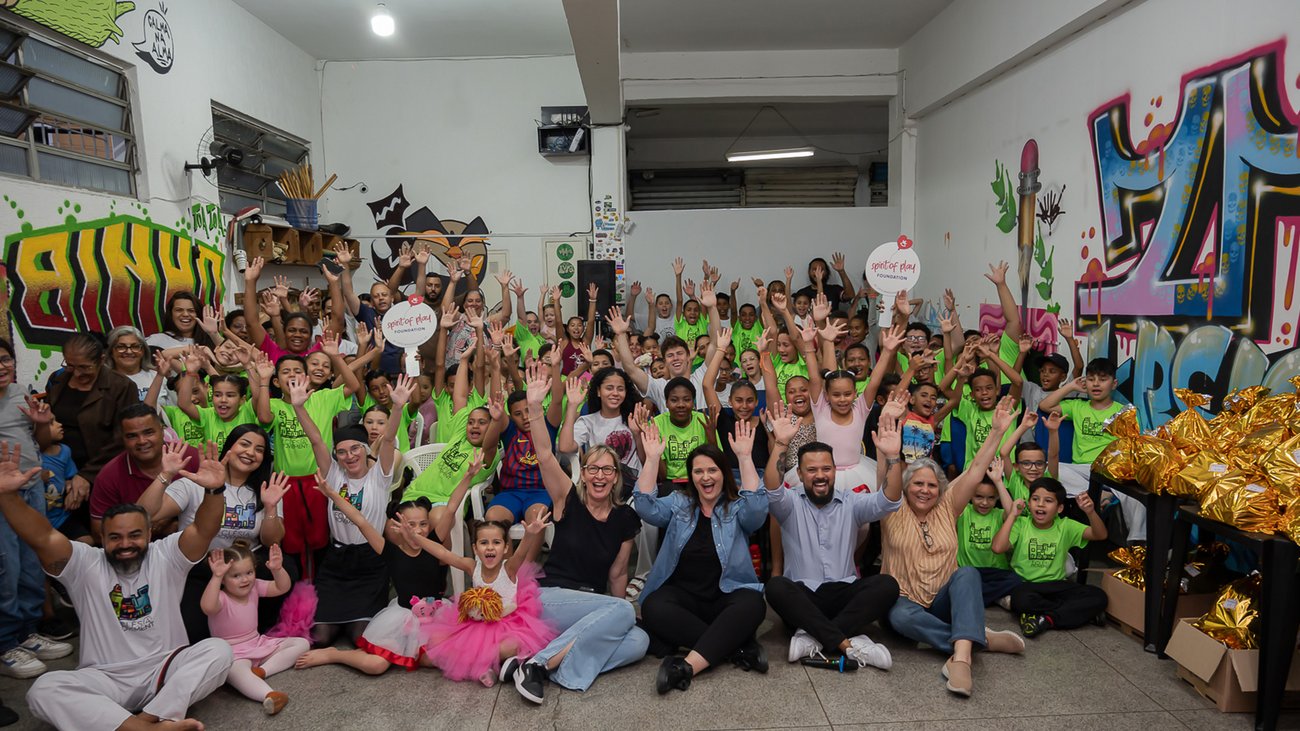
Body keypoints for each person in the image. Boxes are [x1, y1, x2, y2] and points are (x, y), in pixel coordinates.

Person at [1, 440, 235, 730]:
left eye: (134, 535)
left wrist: (214, 491)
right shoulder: (84, 563)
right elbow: (42, 537)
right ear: (102, 538)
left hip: (164, 671)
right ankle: (149, 727)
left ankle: (144, 720)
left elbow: (203, 529)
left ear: (149, 533)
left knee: (218, 651)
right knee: (43, 689)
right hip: (105, 679)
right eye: (115, 537)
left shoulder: (166, 555)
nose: (125, 544)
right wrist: (8, 497)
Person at [498, 367, 646, 703]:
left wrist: (614, 616)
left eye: (607, 469)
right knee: (624, 613)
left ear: (616, 477)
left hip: (591, 605)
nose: (599, 475)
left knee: (638, 642)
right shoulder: (567, 499)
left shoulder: (625, 518)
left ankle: (538, 661)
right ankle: (537, 665)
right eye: (592, 468)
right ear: (584, 474)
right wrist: (535, 407)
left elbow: (618, 574)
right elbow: (545, 454)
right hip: (553, 598)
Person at [879, 395, 1025, 697]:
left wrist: (997, 432)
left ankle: (960, 661)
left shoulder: (948, 506)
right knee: (899, 616)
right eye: (918, 484)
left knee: (968, 573)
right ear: (906, 487)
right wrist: (889, 422)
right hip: (906, 602)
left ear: (941, 489)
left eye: (932, 485)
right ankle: (975, 639)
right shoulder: (893, 507)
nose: (925, 490)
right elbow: (885, 473)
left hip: (943, 602)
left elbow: (976, 469)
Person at [762, 399, 902, 669]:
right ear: (800, 474)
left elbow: (889, 500)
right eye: (812, 470)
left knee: (887, 585)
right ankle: (849, 644)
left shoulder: (851, 502)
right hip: (803, 597)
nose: (820, 475)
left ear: (835, 471)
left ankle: (813, 638)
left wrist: (893, 457)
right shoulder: (789, 503)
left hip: (844, 594)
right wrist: (780, 443)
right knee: (776, 587)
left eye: (826, 469)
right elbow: (772, 488)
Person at [635, 420, 769, 695]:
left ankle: (686, 666)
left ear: (723, 474)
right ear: (691, 477)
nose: (706, 477)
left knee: (754, 604)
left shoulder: (737, 507)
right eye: (698, 471)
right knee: (653, 607)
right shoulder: (679, 503)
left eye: (712, 470)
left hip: (727, 596)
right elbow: (645, 507)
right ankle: (736, 647)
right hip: (685, 598)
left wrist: (745, 457)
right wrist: (652, 459)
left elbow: (757, 510)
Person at [293, 479, 471, 675]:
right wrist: (332, 494)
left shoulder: (434, 544)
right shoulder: (390, 552)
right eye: (410, 525)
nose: (418, 530)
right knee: (375, 665)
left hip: (435, 615)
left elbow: (451, 507)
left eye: (423, 524)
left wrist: (469, 476)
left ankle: (418, 652)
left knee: (440, 657)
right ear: (398, 526)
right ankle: (334, 654)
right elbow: (360, 521)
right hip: (402, 619)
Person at [135, 426, 289, 642]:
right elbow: (143, 514)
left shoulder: (266, 490)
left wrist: (270, 507)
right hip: (201, 567)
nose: (250, 452)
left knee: (285, 567)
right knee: (195, 634)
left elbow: (271, 540)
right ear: (229, 447)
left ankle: (255, 637)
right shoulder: (196, 483)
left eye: (259, 449)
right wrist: (166, 474)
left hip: (244, 569)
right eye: (244, 444)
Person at [289, 374, 410, 647]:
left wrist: (397, 407)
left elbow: (388, 440)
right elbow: (316, 440)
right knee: (320, 637)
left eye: (355, 448)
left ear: (366, 449)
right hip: (337, 562)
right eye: (342, 452)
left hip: (371, 563)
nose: (349, 456)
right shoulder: (333, 475)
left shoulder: (379, 476)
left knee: (360, 638)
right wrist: (299, 407)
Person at [0, 342, 72, 681]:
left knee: (32, 563)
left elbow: (40, 442)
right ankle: (5, 643)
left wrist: (41, 424)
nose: (1, 366)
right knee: (6, 568)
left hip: (31, 489)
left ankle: (27, 633)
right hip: (3, 495)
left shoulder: (20, 393)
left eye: (5, 359)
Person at [417, 513, 556, 686]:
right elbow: (443, 553)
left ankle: (484, 664)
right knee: (436, 645)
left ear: (505, 548)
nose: (490, 548)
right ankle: (486, 666)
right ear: (475, 548)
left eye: (496, 542)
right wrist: (416, 538)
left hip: (507, 623)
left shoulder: (509, 568)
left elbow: (521, 553)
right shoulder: (472, 567)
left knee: (510, 646)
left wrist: (529, 534)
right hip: (477, 623)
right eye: (484, 543)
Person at [1038, 359, 1142, 539]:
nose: (1096, 384)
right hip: (1082, 470)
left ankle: (1138, 543)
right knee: (1048, 468)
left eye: (1102, 379)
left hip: (1111, 470)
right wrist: (1071, 386)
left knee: (1137, 496)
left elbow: (1132, 446)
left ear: (1114, 384)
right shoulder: (1077, 406)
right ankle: (1098, 494)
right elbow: (1044, 406)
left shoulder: (1124, 412)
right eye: (1091, 379)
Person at [992, 477, 1108, 636]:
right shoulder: (1021, 524)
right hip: (1026, 585)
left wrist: (1091, 512)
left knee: (1099, 596)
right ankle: (1075, 613)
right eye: (1035, 499)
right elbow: (997, 548)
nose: (1040, 504)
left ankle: (1045, 619)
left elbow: (1100, 535)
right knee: (1021, 600)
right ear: (1029, 503)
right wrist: (1012, 516)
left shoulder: (1065, 526)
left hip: (1056, 584)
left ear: (1059, 508)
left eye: (1048, 500)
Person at [203, 542, 307, 715]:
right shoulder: (220, 597)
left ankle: (262, 671)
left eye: (249, 573)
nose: (245, 579)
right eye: (236, 575)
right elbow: (207, 607)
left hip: (258, 643)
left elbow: (282, 587)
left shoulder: (255, 587)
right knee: (234, 671)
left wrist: (277, 569)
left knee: (302, 643)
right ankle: (269, 695)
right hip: (233, 653)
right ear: (224, 579)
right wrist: (216, 577)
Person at [46, 333, 140, 516]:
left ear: (101, 360)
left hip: (101, 472)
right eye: (70, 365)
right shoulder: (58, 381)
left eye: (84, 367)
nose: (76, 373)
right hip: (59, 471)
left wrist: (86, 475)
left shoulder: (121, 386)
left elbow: (123, 438)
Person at [89, 404, 201, 536]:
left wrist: (172, 518)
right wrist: (145, 527)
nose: (142, 441)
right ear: (122, 439)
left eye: (148, 432)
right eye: (132, 436)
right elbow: (98, 531)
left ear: (162, 431)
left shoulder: (190, 457)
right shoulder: (109, 475)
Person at [956, 459, 1022, 606]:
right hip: (968, 571)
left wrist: (998, 482)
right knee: (953, 579)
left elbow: (1012, 512)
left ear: (997, 497)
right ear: (970, 495)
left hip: (995, 572)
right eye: (979, 497)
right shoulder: (964, 512)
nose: (984, 503)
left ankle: (973, 596)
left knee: (1016, 580)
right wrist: (968, 474)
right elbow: (947, 497)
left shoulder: (999, 514)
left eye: (991, 498)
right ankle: (994, 597)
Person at [106, 326, 171, 408]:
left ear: (143, 351)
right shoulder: (105, 381)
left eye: (135, 346)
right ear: (111, 351)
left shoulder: (158, 376)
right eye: (121, 347)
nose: (129, 351)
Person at [146, 292, 211, 352]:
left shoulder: (210, 341)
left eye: (191, 310)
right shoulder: (157, 339)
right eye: (179, 310)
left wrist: (213, 333)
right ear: (171, 314)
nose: (185, 314)